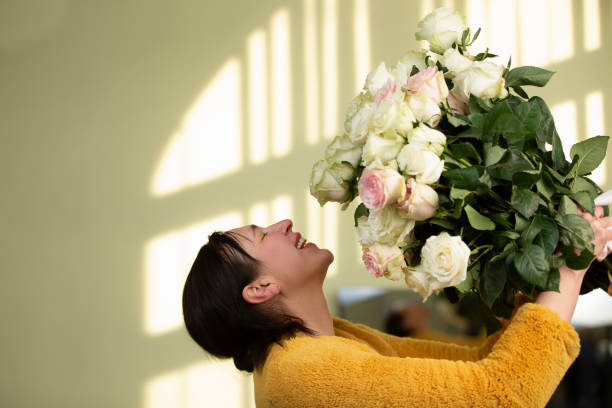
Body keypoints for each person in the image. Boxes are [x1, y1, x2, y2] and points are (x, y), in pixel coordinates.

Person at [182, 208, 612, 407]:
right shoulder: (303, 372)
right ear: (261, 288)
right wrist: (570, 271)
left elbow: (484, 364)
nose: (284, 224)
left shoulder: (331, 341)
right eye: (262, 235)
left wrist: (530, 270)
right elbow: (504, 395)